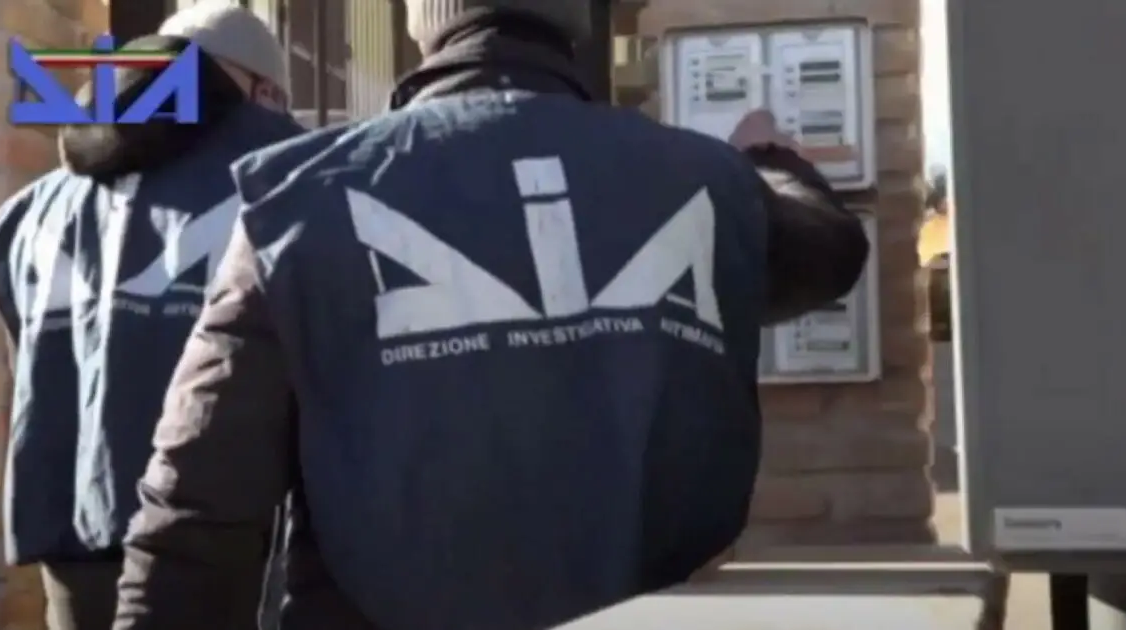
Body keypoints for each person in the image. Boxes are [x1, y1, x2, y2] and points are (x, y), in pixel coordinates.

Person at [112, 1, 870, 629]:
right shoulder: (707, 185)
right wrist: (766, 163)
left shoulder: (302, 200)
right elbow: (830, 252)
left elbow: (196, 514)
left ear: (422, 19)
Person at [0, 4, 301, 630]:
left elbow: (29, 374)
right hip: (226, 539)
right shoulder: (281, 175)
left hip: (71, 538)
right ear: (261, 91)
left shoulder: (27, 211)